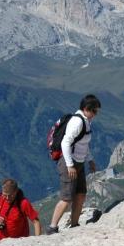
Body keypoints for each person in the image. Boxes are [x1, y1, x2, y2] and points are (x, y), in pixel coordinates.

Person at [49, 94, 100, 233]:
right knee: (67, 197)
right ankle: (52, 227)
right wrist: (70, 165)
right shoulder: (77, 122)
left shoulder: (87, 121)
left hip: (79, 162)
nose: (95, 114)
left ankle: (75, 224)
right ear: (86, 109)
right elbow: (66, 143)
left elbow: (84, 143)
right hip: (68, 163)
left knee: (80, 194)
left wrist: (90, 159)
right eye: (94, 111)